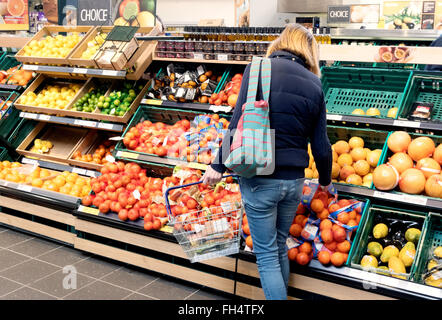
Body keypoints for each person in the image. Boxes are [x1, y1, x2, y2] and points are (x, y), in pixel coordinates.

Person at [202, 23, 332, 300]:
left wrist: (217, 165)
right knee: (278, 247)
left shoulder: (259, 69)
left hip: (261, 176)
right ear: (309, 50)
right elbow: (321, 145)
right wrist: (325, 181)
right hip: (294, 181)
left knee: (266, 255)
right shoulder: (314, 83)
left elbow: (238, 123)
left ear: (280, 42)